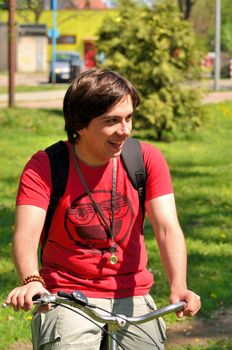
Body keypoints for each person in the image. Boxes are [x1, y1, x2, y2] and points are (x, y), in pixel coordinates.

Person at [5, 68, 201, 350]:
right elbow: (26, 233)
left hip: (132, 293)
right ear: (81, 125)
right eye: (112, 121)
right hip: (67, 295)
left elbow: (167, 227)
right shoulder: (46, 165)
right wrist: (33, 281)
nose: (125, 130)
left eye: (129, 118)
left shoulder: (144, 159)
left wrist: (178, 285)